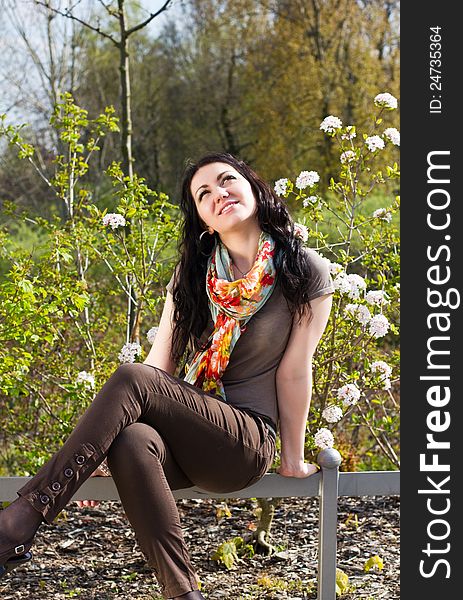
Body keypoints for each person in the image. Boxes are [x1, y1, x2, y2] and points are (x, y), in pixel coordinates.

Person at [0, 152, 334, 599]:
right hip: (185, 442)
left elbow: (294, 371)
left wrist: (292, 457)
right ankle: (182, 592)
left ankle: (19, 520)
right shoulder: (192, 276)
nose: (219, 194)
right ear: (203, 221)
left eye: (227, 181)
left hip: (246, 441)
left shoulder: (303, 268)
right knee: (130, 437)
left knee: (133, 377)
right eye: (204, 194)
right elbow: (161, 369)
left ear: (253, 187)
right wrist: (99, 442)